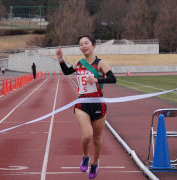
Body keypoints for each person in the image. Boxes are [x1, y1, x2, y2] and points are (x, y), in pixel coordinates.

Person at [56, 35, 116, 179]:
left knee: (96, 139)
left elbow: (113, 79)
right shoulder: (79, 63)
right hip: (82, 103)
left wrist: (98, 79)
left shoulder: (101, 63)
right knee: (87, 135)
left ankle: (94, 164)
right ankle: (85, 157)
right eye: (81, 44)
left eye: (86, 43)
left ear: (93, 45)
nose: (83, 46)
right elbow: (66, 72)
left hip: (98, 104)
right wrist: (60, 59)